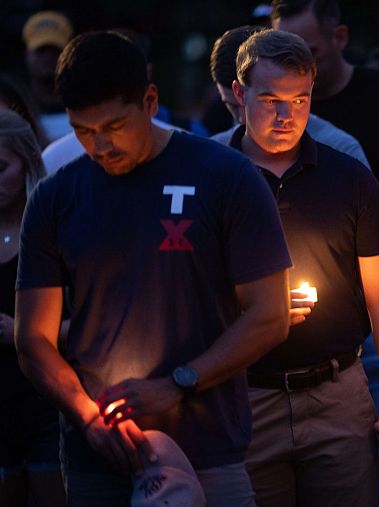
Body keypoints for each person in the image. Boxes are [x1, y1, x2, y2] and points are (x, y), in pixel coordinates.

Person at [14, 31, 293, 505]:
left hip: (210, 451)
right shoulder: (54, 198)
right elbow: (32, 339)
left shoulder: (225, 176)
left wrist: (179, 382)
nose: (100, 145)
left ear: (149, 101)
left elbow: (270, 314)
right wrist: (87, 418)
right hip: (97, 461)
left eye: (114, 125)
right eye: (83, 130)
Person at [227, 29, 379, 506]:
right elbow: (182, 291)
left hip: (337, 395)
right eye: (270, 99)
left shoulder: (349, 178)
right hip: (243, 396)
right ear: (238, 93)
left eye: (300, 99)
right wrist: (257, 311)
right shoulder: (211, 178)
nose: (286, 115)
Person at [272, 0, 379, 264]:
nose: (294, 67)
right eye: (282, 57)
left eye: (309, 52)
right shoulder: (273, 118)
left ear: (340, 37)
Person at [0, 111, 63, 506]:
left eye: (1, 167)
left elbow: (89, 319)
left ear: (26, 161)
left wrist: (23, 331)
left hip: (45, 404)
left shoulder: (50, 229)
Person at [208, 24, 370, 168]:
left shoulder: (343, 153)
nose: (242, 119)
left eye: (270, 100)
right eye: (233, 106)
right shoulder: (211, 158)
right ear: (239, 93)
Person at [21, 10, 73, 142]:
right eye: (41, 50)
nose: (48, 57)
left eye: (55, 50)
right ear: (26, 54)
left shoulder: (88, 104)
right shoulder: (14, 106)